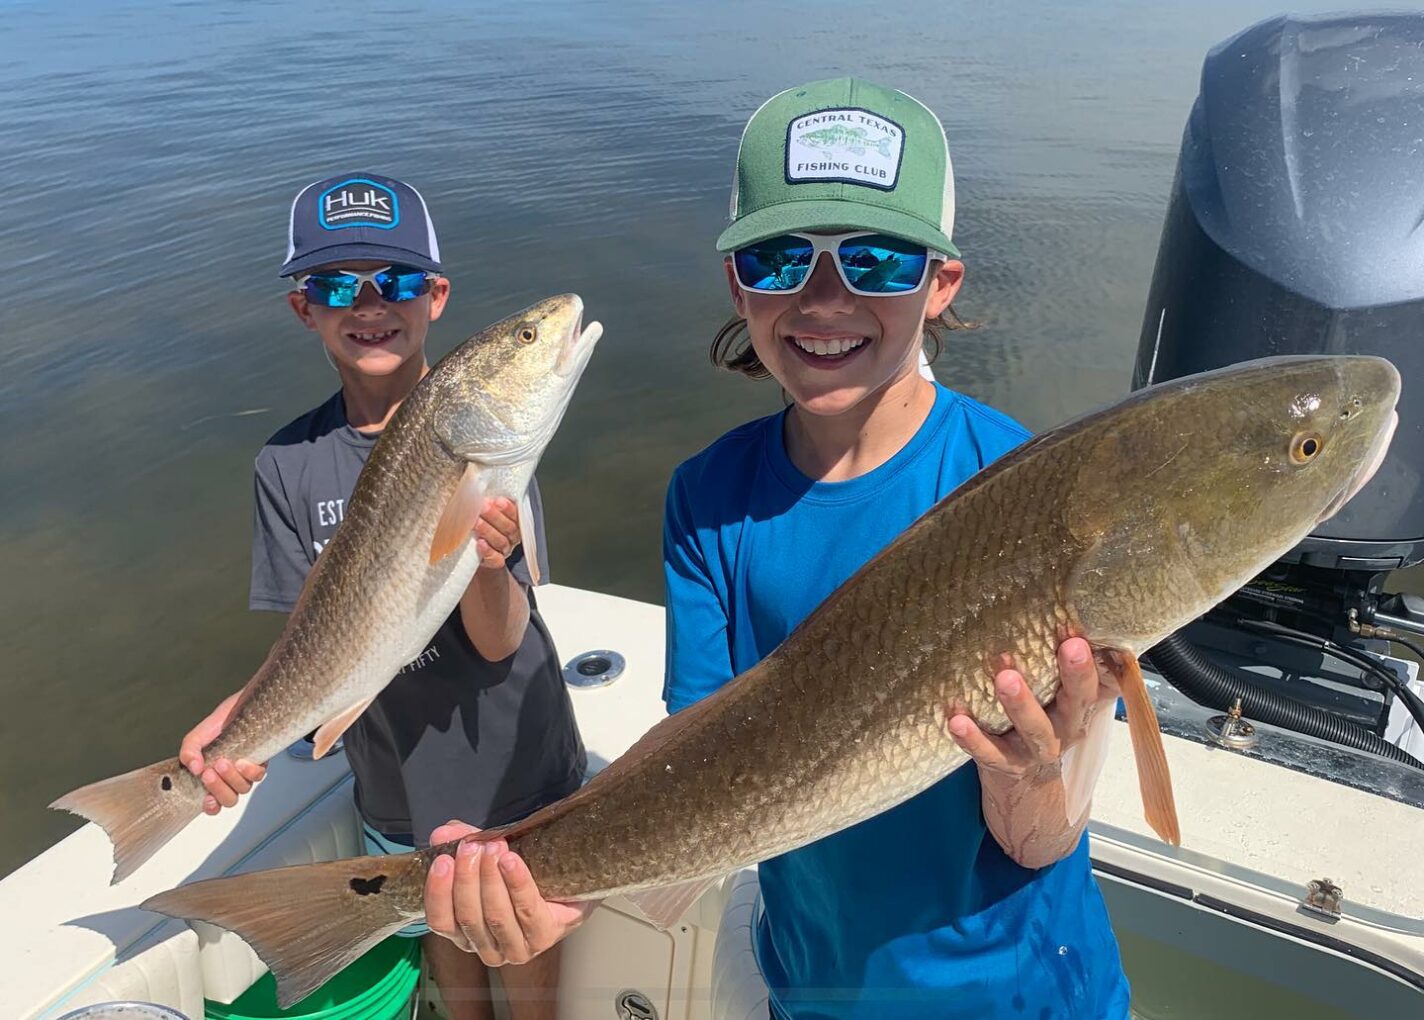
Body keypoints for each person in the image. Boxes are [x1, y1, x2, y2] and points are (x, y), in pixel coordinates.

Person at [422, 80, 1130, 1018]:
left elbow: (1043, 840)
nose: (823, 299)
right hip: (802, 979)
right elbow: (702, 759)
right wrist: (556, 877)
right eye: (778, 258)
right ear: (737, 284)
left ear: (942, 281)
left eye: (876, 261)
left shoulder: (1025, 490)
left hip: (1021, 993)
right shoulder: (708, 496)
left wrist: (1033, 775)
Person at [179, 171, 587, 1020]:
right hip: (395, 770)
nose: (371, 305)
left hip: (516, 755)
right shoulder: (286, 464)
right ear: (304, 307)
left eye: (396, 281)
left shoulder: (493, 451)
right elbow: (313, 635)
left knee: (522, 948)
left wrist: (485, 560)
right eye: (336, 285)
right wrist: (237, 718)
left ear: (435, 296)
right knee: (446, 943)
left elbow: (503, 637)